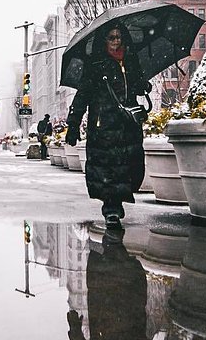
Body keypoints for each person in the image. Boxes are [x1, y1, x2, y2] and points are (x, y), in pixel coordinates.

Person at [64, 21, 151, 229]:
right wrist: (73, 124)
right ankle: (110, 208)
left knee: (129, 165)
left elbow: (137, 87)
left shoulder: (130, 61)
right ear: (104, 40)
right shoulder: (95, 65)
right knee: (108, 168)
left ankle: (117, 201)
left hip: (128, 124)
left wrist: (142, 85)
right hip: (104, 125)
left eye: (119, 37)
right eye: (111, 37)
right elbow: (82, 95)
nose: (115, 41)